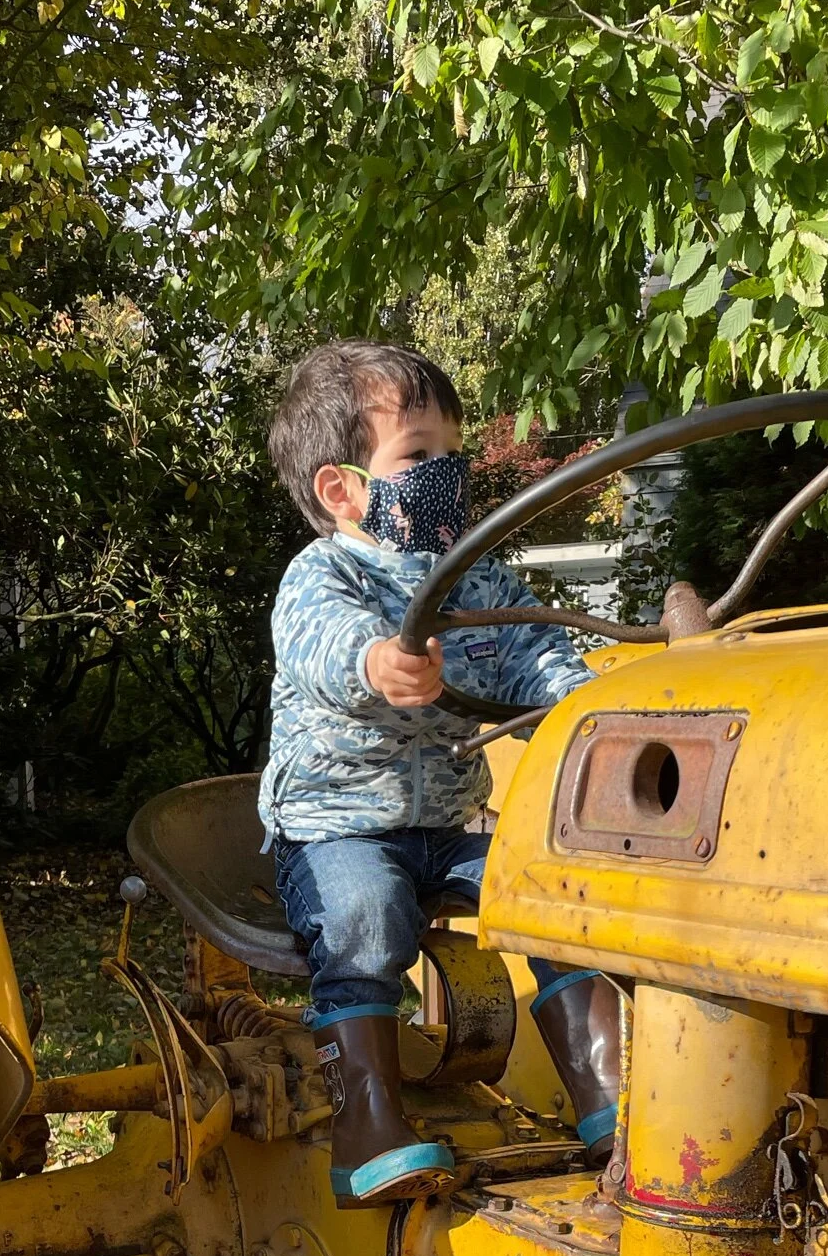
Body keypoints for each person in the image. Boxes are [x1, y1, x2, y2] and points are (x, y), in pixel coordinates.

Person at [263, 339, 624, 1208]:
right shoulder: (324, 573)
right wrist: (376, 660)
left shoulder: (477, 577)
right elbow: (317, 645)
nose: (447, 475)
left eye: (451, 454)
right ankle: (369, 1117)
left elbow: (536, 660)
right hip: (337, 824)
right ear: (342, 489)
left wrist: (580, 711)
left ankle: (609, 1091)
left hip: (450, 823)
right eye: (419, 456)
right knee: (363, 913)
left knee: (552, 887)